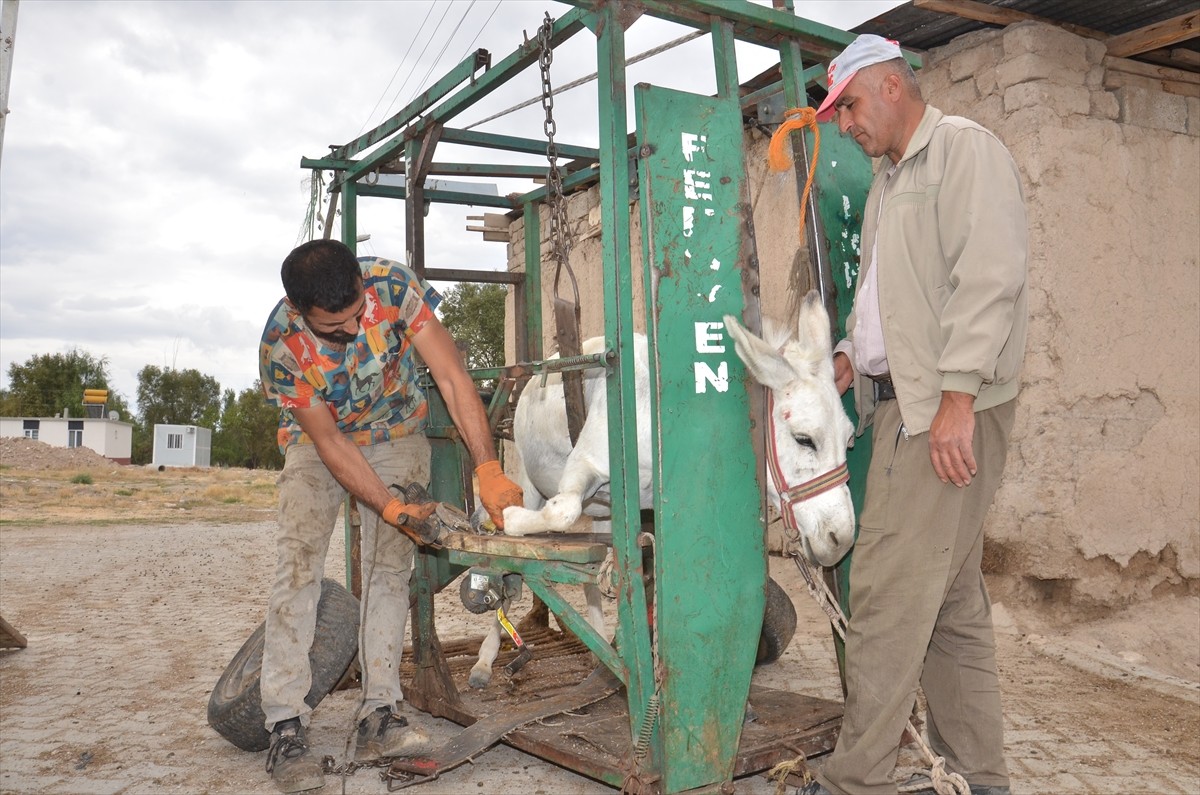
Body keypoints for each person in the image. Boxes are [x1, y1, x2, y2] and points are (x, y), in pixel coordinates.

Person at [796, 34, 1028, 795]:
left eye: (851, 106)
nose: (846, 125)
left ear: (893, 85)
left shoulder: (963, 151)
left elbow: (988, 275)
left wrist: (959, 394)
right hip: (908, 406)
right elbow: (885, 301)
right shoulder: (887, 183)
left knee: (887, 602)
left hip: (940, 414)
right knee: (951, 605)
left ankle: (852, 780)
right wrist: (847, 359)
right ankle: (978, 776)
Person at [256, 239, 523, 793]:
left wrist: (488, 467)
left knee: (388, 571)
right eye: (335, 328)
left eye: (359, 316)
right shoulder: (281, 346)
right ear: (300, 310)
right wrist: (390, 504)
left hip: (398, 432)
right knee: (299, 567)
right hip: (319, 441)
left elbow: (451, 376)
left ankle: (381, 713)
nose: (354, 331)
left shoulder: (394, 288)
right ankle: (285, 724)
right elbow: (330, 443)